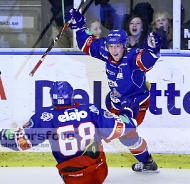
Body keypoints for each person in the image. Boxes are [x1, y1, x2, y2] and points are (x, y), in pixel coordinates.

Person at [65, 9, 163, 172]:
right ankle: (147, 162)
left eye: (118, 46)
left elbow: (146, 62)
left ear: (124, 45)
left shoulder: (132, 57)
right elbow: (87, 44)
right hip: (116, 102)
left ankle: (146, 161)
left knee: (125, 136)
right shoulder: (106, 51)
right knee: (104, 129)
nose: (114, 50)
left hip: (135, 105)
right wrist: (79, 26)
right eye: (111, 46)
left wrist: (153, 51)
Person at [0, 81, 139, 184]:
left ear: (52, 98)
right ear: (72, 96)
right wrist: (127, 113)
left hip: (72, 178)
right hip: (100, 172)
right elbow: (119, 129)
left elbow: (20, 143)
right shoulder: (91, 109)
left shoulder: (45, 117)